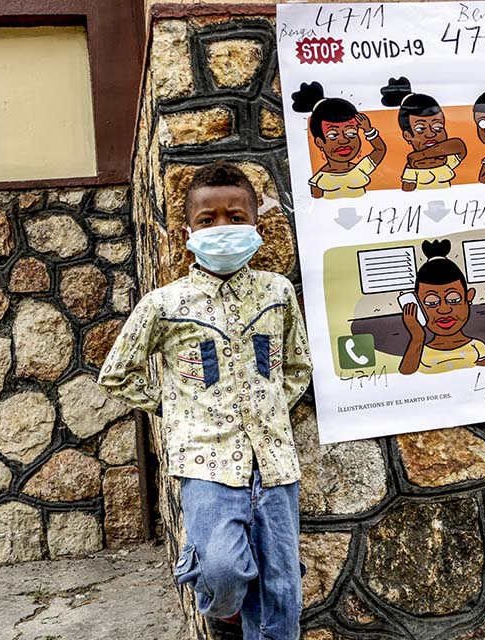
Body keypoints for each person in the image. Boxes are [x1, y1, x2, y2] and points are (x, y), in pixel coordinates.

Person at [98, 162, 313, 640]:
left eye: (236, 218)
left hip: (275, 463)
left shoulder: (277, 293)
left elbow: (297, 366)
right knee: (223, 569)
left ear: (256, 224)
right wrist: (174, 408)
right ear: (187, 230)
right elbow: (116, 373)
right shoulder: (165, 304)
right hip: (206, 462)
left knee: (281, 588)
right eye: (208, 219)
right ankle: (226, 615)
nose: (223, 228)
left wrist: (273, 407)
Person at [399, 239, 485, 375]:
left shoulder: (477, 347)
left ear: (469, 296)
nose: (444, 309)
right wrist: (417, 337)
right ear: (418, 304)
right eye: (431, 302)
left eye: (454, 299)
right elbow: (406, 372)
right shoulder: (420, 351)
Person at [292, 81, 386, 199]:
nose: (343, 140)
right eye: (332, 135)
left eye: (351, 133)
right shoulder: (319, 179)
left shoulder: (360, 169)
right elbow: (315, 205)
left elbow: (380, 149)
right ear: (319, 142)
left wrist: (368, 130)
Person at [380, 76, 466, 191]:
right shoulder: (412, 168)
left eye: (437, 127)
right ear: (407, 136)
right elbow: (407, 192)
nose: (430, 134)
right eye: (420, 129)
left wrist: (421, 155)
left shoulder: (446, 160)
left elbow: (459, 146)